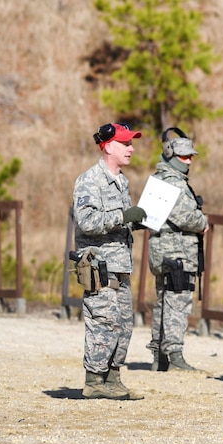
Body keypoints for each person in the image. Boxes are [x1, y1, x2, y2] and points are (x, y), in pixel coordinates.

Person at [73, 122, 147, 400]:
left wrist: (134, 223)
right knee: (102, 321)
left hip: (120, 265)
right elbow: (86, 221)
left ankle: (113, 378)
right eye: (125, 143)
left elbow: (114, 223)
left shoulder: (121, 180)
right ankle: (94, 381)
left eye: (131, 143)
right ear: (108, 147)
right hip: (99, 266)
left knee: (124, 322)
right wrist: (123, 217)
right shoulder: (89, 180)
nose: (131, 148)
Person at [146, 129, 208, 372]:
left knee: (164, 300)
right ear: (171, 156)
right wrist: (203, 222)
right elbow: (183, 216)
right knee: (177, 300)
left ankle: (159, 355)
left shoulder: (160, 179)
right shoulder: (174, 182)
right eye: (184, 157)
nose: (190, 160)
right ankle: (173, 355)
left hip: (162, 250)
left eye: (191, 156)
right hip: (177, 251)